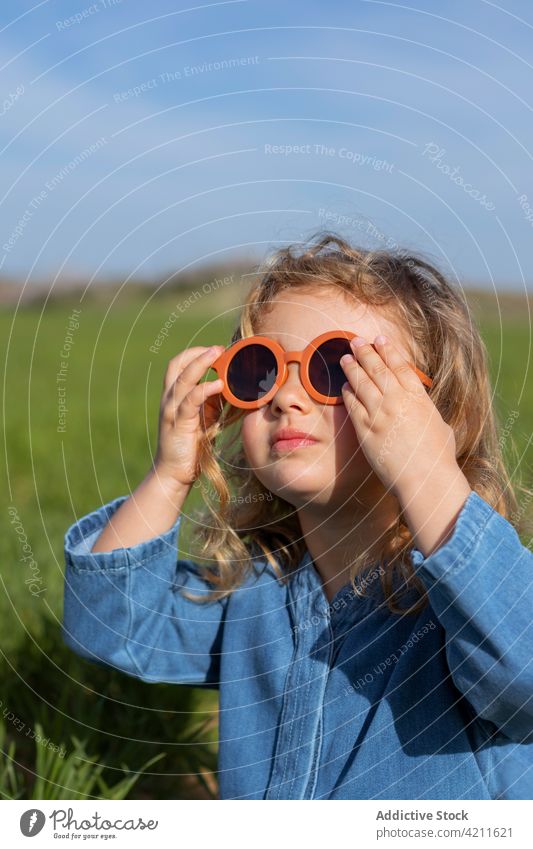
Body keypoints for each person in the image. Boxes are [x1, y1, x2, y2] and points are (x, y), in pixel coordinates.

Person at [62, 231, 533, 800]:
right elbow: (109, 625)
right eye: (259, 370)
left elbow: (523, 673)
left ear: (439, 415)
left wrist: (427, 474)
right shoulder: (255, 597)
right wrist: (170, 475)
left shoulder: (463, 605)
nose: (285, 397)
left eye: (335, 370)